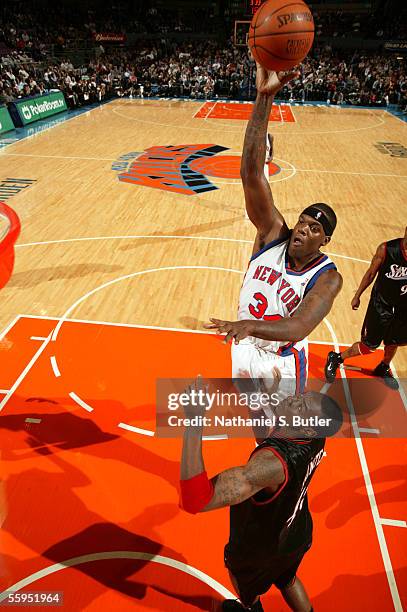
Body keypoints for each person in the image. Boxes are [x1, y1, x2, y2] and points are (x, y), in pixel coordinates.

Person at [205, 64, 343, 395]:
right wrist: (264, 97)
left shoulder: (327, 277)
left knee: (280, 442)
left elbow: (299, 325)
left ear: (325, 241)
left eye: (313, 230)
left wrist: (248, 326)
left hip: (281, 362)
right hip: (244, 348)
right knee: (256, 425)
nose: (302, 231)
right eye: (303, 222)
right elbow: (251, 174)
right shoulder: (272, 235)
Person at [179, 377, 343, 611]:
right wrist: (264, 400)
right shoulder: (316, 435)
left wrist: (194, 420)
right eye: (303, 396)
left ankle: (251, 608)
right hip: (297, 531)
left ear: (307, 426)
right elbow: (277, 429)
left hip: (264, 547)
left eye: (303, 406)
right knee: (287, 579)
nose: (296, 398)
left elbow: (195, 501)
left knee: (243, 583)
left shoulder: (268, 467)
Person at [325, 227, 407, 389]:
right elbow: (370, 274)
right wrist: (357, 295)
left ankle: (383, 367)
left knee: (394, 341)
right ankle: (337, 357)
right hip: (381, 305)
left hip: (403, 307)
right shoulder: (387, 249)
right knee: (369, 346)